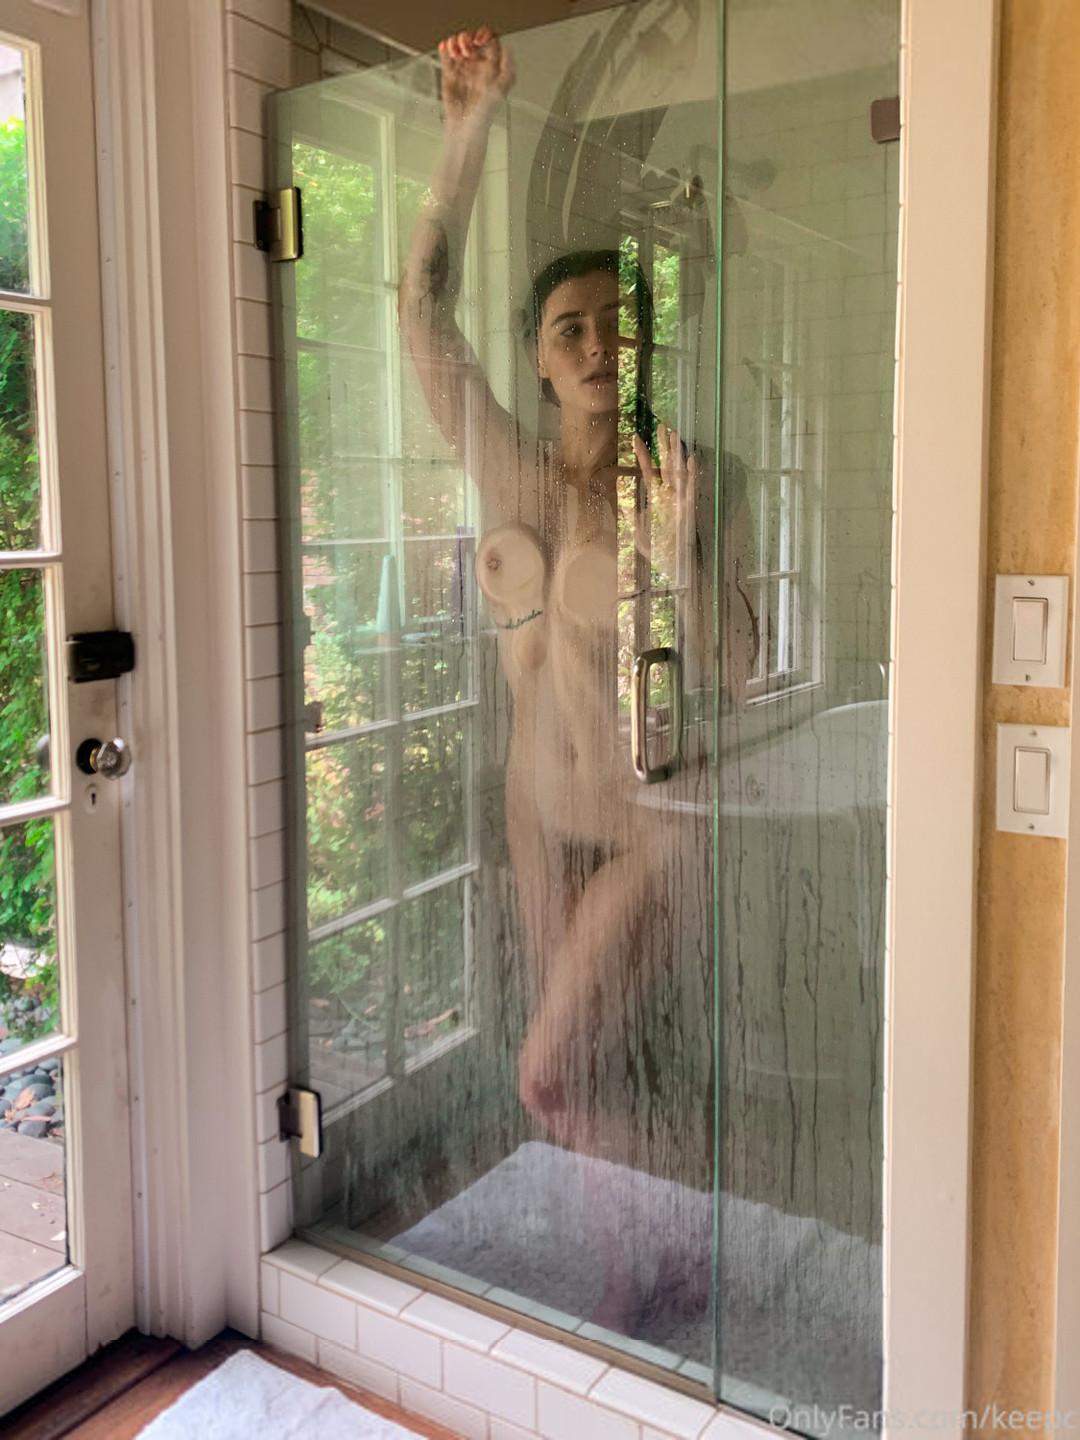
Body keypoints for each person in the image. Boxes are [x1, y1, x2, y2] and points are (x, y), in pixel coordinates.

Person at [398, 26, 756, 1335]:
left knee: (546, 1073)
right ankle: (649, 1266)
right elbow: (418, 312)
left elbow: (740, 673)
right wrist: (466, 134)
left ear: (648, 346)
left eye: (621, 323)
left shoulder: (689, 479)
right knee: (586, 1066)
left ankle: (673, 1250)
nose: (599, 342)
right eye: (571, 328)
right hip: (537, 817)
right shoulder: (512, 472)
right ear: (541, 357)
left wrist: (680, 556)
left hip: (651, 828)